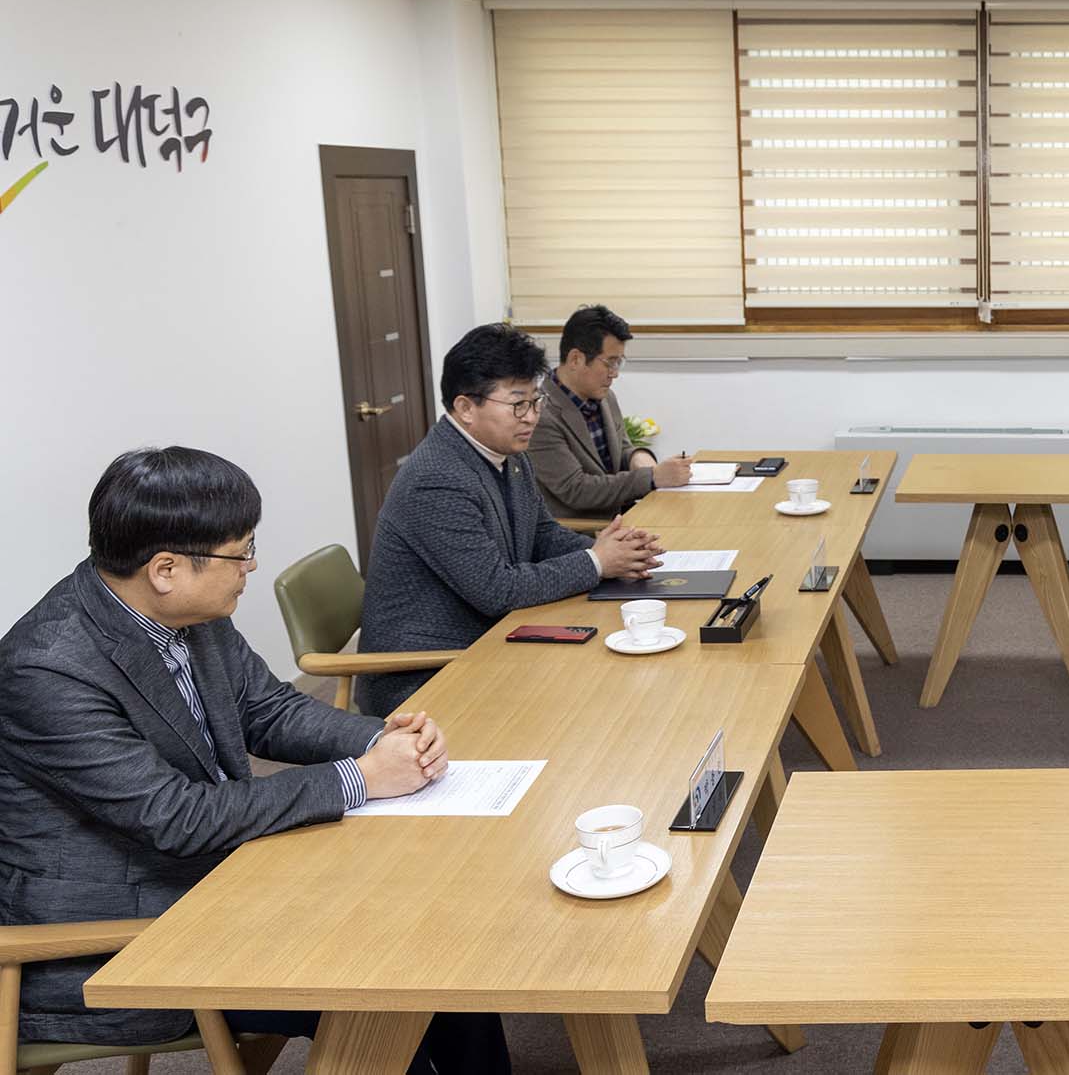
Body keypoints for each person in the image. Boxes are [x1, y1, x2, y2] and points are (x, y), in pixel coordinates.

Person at [0, 448, 506, 1071]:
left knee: (437, 927)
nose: (251, 566)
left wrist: (377, 741)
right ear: (164, 569)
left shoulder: (187, 610)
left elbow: (268, 709)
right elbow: (174, 817)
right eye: (240, 552)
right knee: (410, 967)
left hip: (217, 878)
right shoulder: (48, 668)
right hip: (121, 939)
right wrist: (359, 780)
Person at [358, 324, 660, 717]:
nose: (531, 417)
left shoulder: (507, 453)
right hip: (426, 674)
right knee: (595, 701)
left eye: (536, 402)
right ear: (466, 407)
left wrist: (616, 552)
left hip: (492, 639)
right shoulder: (436, 479)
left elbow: (541, 533)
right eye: (518, 404)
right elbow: (496, 589)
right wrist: (598, 561)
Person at [531, 304, 694, 519]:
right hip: (585, 531)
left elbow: (621, 451)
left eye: (619, 362)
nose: (615, 374)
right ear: (575, 359)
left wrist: (639, 456)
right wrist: (652, 477)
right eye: (610, 362)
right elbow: (577, 490)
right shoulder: (540, 414)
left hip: (622, 516)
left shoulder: (605, 397)